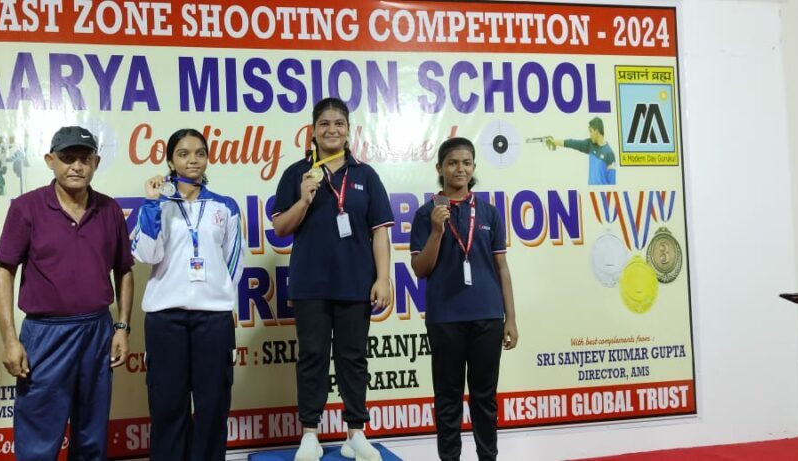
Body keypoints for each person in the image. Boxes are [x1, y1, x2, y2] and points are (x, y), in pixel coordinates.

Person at [0, 126, 135, 460]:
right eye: (68, 158)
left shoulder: (110, 210)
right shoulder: (27, 207)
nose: (76, 166)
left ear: (95, 163)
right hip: (45, 335)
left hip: (97, 331)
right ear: (50, 161)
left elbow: (124, 270)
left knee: (92, 438)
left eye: (84, 159)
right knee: (38, 440)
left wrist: (122, 326)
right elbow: (4, 272)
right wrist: (10, 340)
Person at [272, 98, 394, 461]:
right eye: (324, 123)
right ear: (313, 131)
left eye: (339, 123)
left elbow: (379, 232)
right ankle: (310, 433)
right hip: (310, 284)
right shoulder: (297, 173)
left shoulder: (365, 175)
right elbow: (280, 228)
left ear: (348, 130)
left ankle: (355, 432)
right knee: (312, 357)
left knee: (353, 358)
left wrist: (383, 278)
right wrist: (303, 200)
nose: (332, 130)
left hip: (356, 282)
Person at [131, 128, 244, 460]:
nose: (192, 160)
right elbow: (147, 254)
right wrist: (152, 205)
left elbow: (233, 262)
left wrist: (222, 299)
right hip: (166, 319)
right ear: (170, 161)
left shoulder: (225, 206)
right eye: (183, 154)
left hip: (214, 319)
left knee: (213, 406)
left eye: (199, 153)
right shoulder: (158, 204)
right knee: (167, 407)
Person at [409, 137, 519, 461]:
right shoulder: (426, 214)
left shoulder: (488, 213)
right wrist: (436, 231)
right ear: (439, 168)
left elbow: (501, 267)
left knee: (485, 397)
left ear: (474, 168)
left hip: (488, 316)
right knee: (448, 398)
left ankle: (488, 457)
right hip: (445, 318)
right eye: (453, 163)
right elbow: (420, 268)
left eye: (466, 163)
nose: (460, 169)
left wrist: (511, 318)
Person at [545, 116, 617, 185]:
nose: (590, 134)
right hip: (591, 191)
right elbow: (572, 143)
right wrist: (554, 142)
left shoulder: (609, 153)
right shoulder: (590, 144)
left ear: (596, 131)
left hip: (603, 193)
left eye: (591, 131)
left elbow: (612, 183)